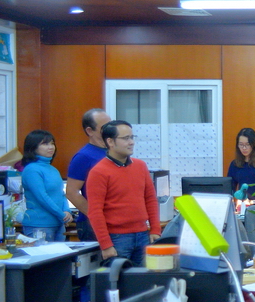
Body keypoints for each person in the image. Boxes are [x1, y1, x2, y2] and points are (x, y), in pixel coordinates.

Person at [86, 120, 161, 266]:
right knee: (118, 279)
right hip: (117, 238)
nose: (131, 142)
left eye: (132, 137)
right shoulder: (99, 172)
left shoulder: (140, 166)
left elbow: (150, 199)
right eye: (126, 138)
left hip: (143, 235)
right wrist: (106, 244)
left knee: (144, 278)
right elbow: (95, 211)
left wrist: (155, 229)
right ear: (110, 142)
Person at [65, 108, 111, 241]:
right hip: (92, 225)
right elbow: (71, 192)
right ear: (90, 131)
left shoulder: (114, 152)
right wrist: (96, 216)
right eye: (104, 127)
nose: (110, 130)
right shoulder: (83, 156)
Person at [19, 130, 72, 242]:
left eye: (52, 143)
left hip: (59, 223)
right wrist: (61, 214)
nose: (51, 147)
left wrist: (67, 211)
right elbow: (42, 197)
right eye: (45, 144)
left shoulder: (53, 169)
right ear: (33, 147)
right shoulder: (31, 169)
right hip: (39, 225)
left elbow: (61, 194)